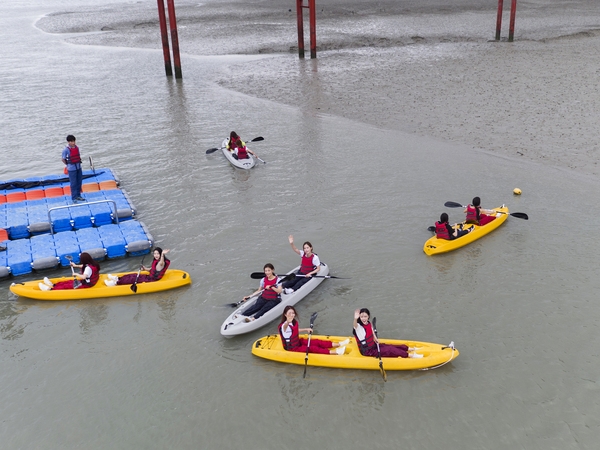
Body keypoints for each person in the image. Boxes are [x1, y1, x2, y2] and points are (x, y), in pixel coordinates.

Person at [353, 308, 423, 358]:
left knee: (390, 346)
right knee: (389, 350)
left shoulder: (368, 323)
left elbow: (371, 331)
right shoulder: (358, 327)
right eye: (361, 317)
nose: (363, 318)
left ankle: (409, 349)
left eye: (365, 316)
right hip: (367, 351)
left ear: (368, 317)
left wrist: (375, 338)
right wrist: (355, 319)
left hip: (373, 346)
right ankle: (410, 355)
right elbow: (355, 325)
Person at [279, 306, 348, 355]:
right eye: (289, 313)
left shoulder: (292, 322)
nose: (291, 315)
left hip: (298, 342)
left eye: (293, 313)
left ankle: (338, 344)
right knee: (313, 348)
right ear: (285, 315)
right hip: (293, 349)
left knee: (317, 342)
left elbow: (294, 331)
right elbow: (285, 327)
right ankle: (336, 352)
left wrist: (306, 329)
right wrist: (287, 322)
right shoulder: (284, 325)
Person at [104, 248, 170, 286]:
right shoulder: (156, 261)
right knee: (132, 275)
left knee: (132, 279)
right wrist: (145, 268)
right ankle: (117, 278)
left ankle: (114, 283)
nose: (156, 255)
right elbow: (152, 269)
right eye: (155, 253)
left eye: (157, 253)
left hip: (151, 280)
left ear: (160, 254)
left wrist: (162, 254)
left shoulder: (161, 263)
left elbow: (161, 263)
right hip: (149, 277)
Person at [61, 134, 85, 202]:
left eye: (74, 141)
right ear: (68, 142)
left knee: (79, 182)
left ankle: (78, 195)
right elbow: (63, 159)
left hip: (78, 167)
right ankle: (74, 197)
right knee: (73, 183)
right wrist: (68, 165)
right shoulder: (66, 150)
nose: (73, 143)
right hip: (71, 169)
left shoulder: (77, 147)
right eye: (71, 141)